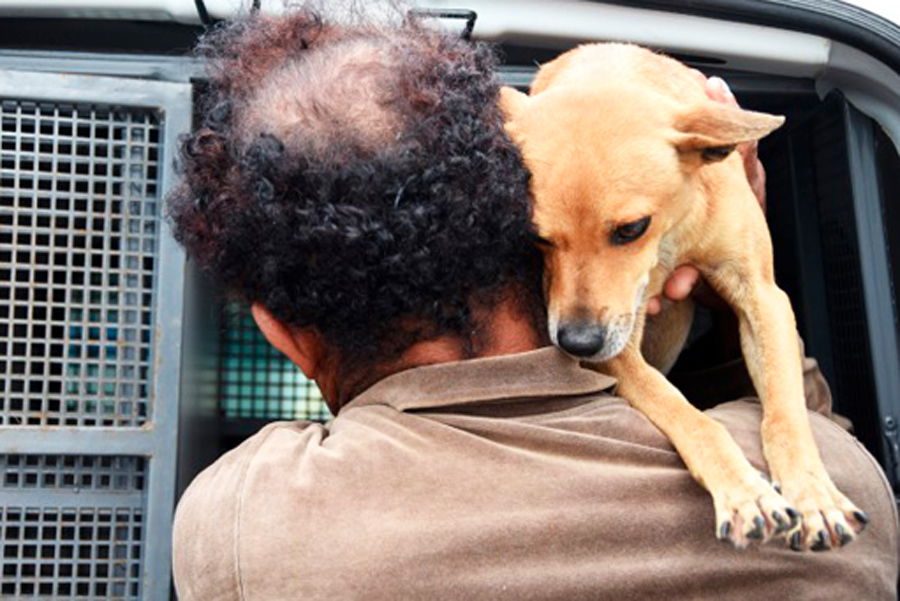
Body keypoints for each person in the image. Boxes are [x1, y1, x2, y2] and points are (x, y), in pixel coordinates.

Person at [168, 8, 898, 600]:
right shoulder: (838, 496)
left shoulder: (241, 530)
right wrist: (725, 257)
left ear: (280, 332)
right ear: (522, 235)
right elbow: (801, 414)